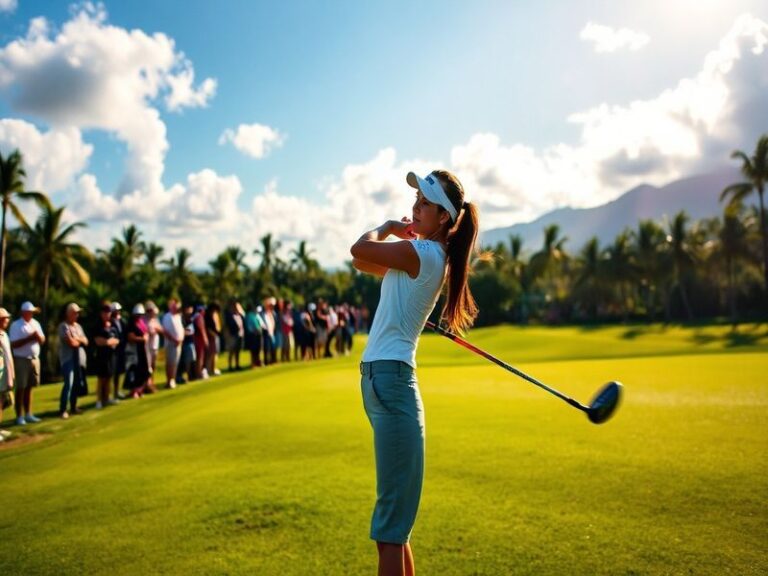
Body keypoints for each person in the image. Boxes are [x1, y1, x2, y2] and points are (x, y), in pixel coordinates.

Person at [351, 169, 479, 576]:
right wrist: (391, 235)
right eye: (416, 201)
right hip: (390, 380)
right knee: (394, 528)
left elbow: (359, 246)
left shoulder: (420, 255)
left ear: (444, 217)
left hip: (380, 377)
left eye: (424, 203)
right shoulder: (423, 256)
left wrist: (387, 228)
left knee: (393, 531)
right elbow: (360, 260)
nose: (415, 208)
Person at [9, 301, 45, 424]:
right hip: (21, 359)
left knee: (30, 387)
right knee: (21, 388)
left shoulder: (36, 323)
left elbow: (42, 339)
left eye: (33, 312)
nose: (32, 314)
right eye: (30, 312)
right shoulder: (16, 325)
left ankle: (28, 413)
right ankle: (19, 416)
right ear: (24, 312)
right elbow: (13, 344)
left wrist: (38, 338)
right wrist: (30, 338)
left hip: (34, 358)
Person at [58, 303, 89, 419]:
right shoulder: (63, 326)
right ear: (69, 314)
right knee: (69, 383)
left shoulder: (78, 327)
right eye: (75, 313)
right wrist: (78, 340)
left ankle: (73, 406)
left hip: (79, 359)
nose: (77, 315)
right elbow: (71, 343)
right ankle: (63, 409)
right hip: (68, 359)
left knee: (76, 383)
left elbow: (85, 341)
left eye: (78, 313)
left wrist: (77, 339)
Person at [93, 302, 120, 409]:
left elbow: (117, 339)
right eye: (105, 312)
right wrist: (108, 342)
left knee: (109, 377)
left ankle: (107, 398)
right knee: (101, 379)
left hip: (111, 355)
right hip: (101, 355)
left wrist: (109, 342)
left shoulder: (112, 324)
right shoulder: (98, 325)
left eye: (109, 312)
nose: (107, 315)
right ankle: (99, 400)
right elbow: (98, 341)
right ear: (101, 313)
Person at [124, 304, 152, 397]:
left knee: (144, 370)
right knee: (135, 371)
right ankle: (134, 391)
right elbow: (131, 337)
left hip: (143, 350)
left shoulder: (141, 322)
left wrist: (146, 337)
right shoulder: (131, 324)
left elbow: (146, 333)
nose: (139, 316)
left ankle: (140, 390)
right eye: (138, 314)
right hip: (134, 352)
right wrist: (142, 339)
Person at [0, 308, 15, 442]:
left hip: (6, 373)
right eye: (5, 318)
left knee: (3, 402)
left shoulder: (4, 334)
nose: (7, 321)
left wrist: (12, 373)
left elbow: (8, 356)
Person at [161, 298, 183, 389]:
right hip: (171, 343)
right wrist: (174, 340)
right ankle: (169, 380)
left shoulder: (178, 317)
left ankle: (173, 379)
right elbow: (165, 331)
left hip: (179, 343)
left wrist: (180, 340)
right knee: (170, 362)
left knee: (175, 362)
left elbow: (180, 330)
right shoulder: (167, 316)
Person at [110, 302, 127, 402]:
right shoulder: (111, 322)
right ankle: (113, 394)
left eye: (118, 310)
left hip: (121, 349)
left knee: (119, 371)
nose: (117, 312)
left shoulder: (121, 320)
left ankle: (117, 391)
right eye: (115, 311)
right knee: (114, 372)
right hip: (113, 350)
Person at [145, 301, 164, 390]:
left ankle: (151, 383)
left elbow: (161, 329)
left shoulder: (155, 320)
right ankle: (147, 384)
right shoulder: (144, 320)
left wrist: (156, 329)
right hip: (147, 347)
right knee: (148, 367)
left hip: (155, 346)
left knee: (153, 366)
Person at [224, 300, 244, 371]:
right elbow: (227, 327)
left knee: (237, 351)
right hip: (232, 335)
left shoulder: (239, 316)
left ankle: (237, 365)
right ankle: (230, 366)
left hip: (240, 335)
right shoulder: (229, 316)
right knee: (231, 351)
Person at [204, 303, 222, 376]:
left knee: (215, 353)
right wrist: (213, 334)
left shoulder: (216, 315)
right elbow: (207, 328)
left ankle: (213, 368)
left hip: (216, 336)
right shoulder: (207, 316)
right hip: (211, 337)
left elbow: (218, 325)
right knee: (210, 354)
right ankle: (208, 369)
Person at [244, 304, 264, 368]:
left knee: (258, 349)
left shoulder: (256, 315)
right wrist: (254, 331)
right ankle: (253, 363)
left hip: (258, 334)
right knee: (253, 350)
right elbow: (249, 327)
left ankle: (258, 362)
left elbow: (260, 324)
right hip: (252, 335)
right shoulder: (249, 315)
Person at [192, 305, 208, 379]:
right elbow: (201, 328)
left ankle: (197, 373)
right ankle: (199, 374)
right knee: (200, 357)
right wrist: (205, 338)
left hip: (196, 339)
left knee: (199, 357)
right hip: (199, 340)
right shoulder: (199, 317)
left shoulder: (195, 316)